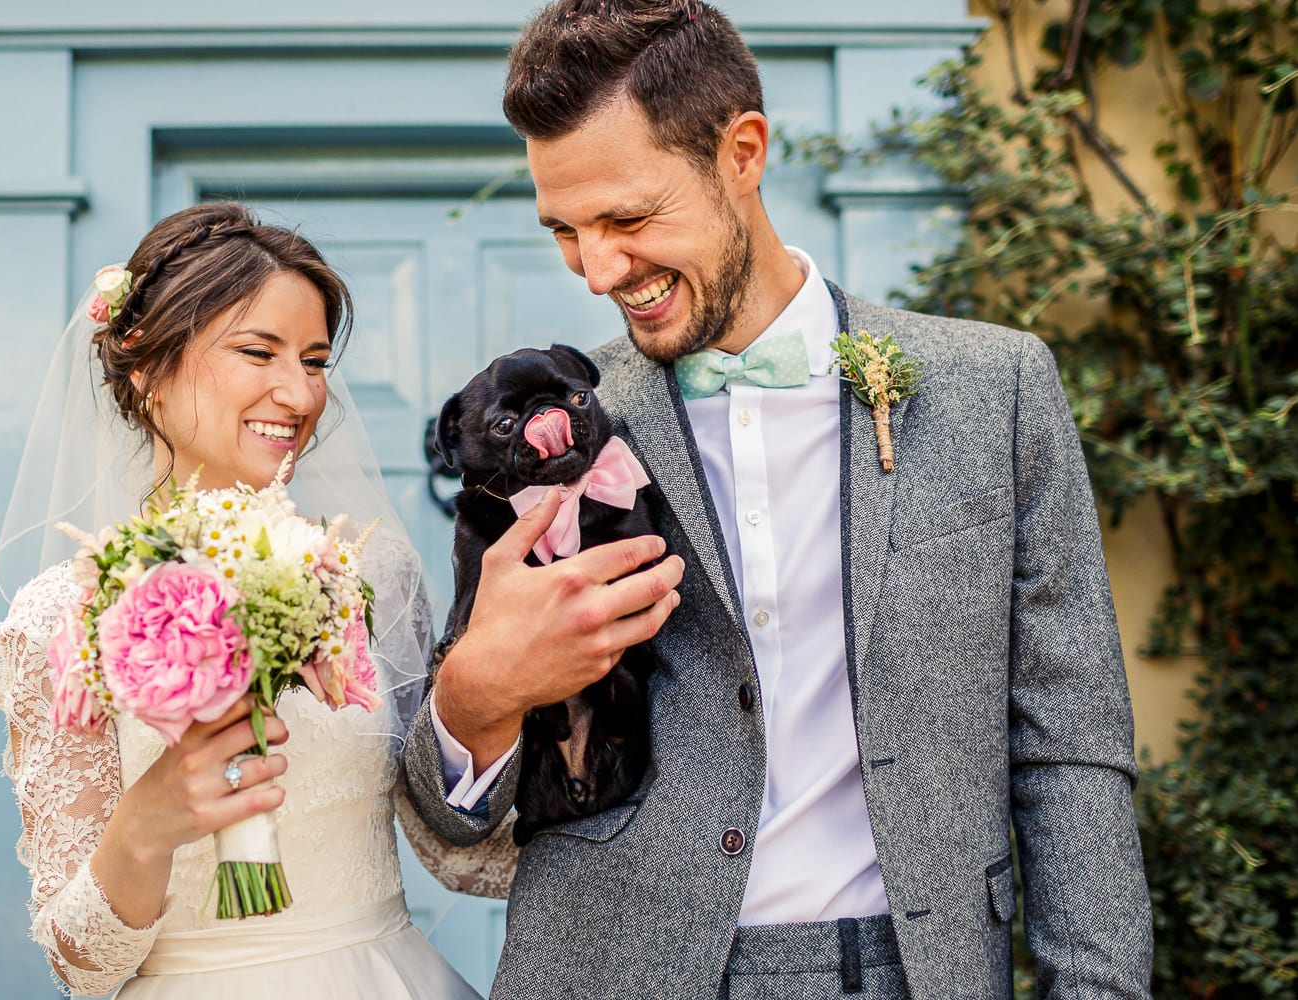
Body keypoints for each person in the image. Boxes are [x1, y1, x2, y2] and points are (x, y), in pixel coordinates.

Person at [401, 2, 1154, 998]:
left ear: (742, 151)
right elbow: (442, 820)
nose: (597, 270)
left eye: (627, 219)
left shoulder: (996, 390)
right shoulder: (550, 424)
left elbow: (1068, 750)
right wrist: (475, 698)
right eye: (565, 232)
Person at [0, 202, 516, 999]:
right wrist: (149, 821)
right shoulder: (62, 616)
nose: (299, 396)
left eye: (314, 361)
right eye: (257, 352)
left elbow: (456, 852)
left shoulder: (371, 572)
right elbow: (81, 967)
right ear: (146, 366)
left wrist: (504, 705)